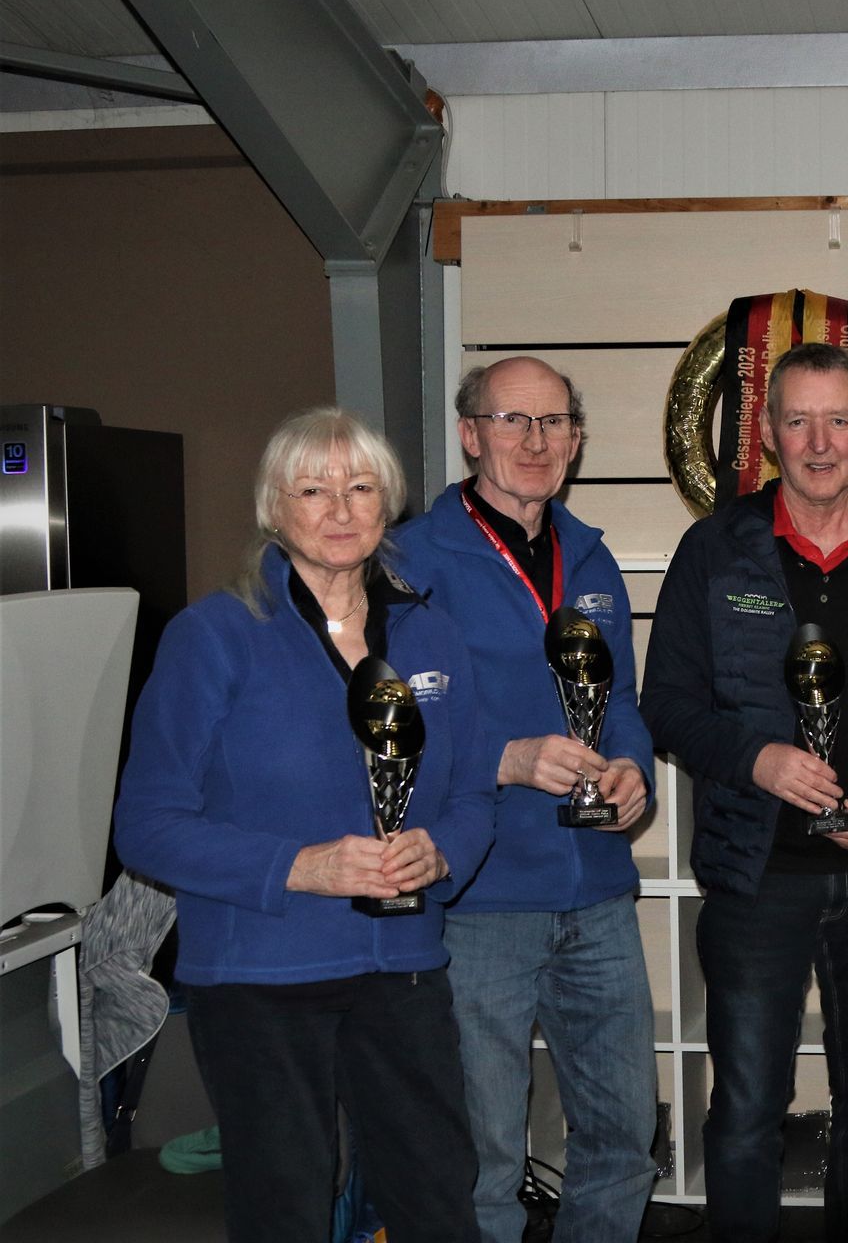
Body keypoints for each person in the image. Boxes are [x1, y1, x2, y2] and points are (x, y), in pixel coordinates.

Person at [113, 407, 491, 1242]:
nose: (341, 509)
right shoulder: (213, 636)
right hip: (260, 978)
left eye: (361, 488)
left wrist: (441, 853)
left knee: (438, 1198)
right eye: (313, 491)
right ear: (273, 508)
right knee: (285, 1208)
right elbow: (144, 825)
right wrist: (300, 866)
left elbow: (473, 794)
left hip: (403, 968)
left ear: (388, 502)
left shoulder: (431, 634)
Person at [642, 342, 848, 1242]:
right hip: (756, 879)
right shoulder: (714, 551)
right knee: (746, 1109)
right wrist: (757, 760)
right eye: (799, 420)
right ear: (769, 432)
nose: (820, 442)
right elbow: (665, 706)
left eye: (838, 420)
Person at [389, 357, 657, 1243]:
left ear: (576, 440)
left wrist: (633, 770)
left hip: (598, 891)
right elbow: (383, 726)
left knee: (623, 1139)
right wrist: (502, 759)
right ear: (470, 436)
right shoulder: (409, 561)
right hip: (481, 899)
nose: (535, 441)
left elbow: (619, 702)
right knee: (487, 1159)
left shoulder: (592, 555)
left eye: (554, 423)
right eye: (512, 420)